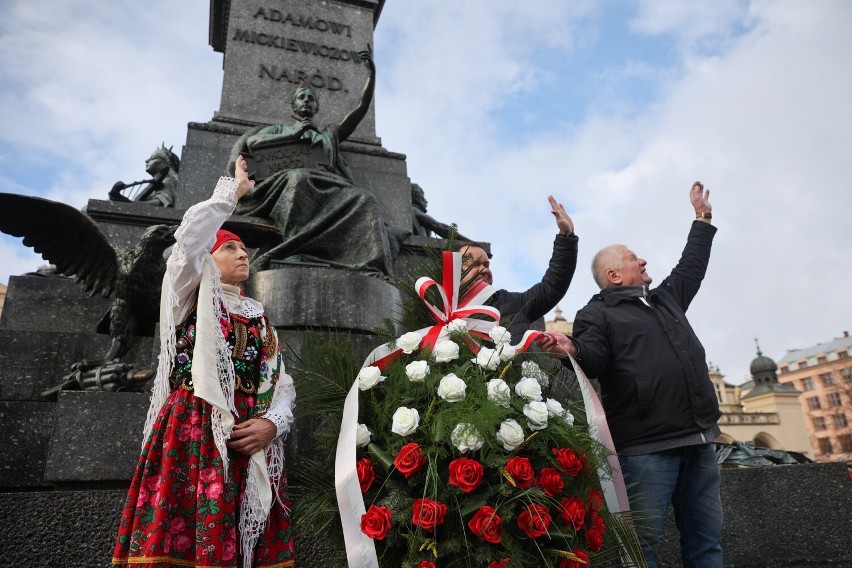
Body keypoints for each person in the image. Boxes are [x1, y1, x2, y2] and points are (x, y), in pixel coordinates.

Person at [112, 156, 296, 568]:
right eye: (229, 247)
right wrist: (231, 193)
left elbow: (282, 382)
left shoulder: (258, 315)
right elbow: (190, 238)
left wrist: (273, 424)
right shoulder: (187, 298)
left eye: (245, 249)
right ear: (207, 261)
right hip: (193, 434)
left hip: (249, 442)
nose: (242, 254)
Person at [537, 181, 722, 567]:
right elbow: (594, 356)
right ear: (614, 275)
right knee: (641, 550)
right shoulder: (596, 312)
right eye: (634, 258)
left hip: (699, 437)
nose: (643, 262)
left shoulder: (666, 298)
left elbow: (692, 265)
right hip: (647, 448)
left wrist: (701, 219)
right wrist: (572, 348)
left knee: (707, 543)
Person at [228, 47, 393, 278]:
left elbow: (359, 110)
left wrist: (371, 75)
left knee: (364, 199)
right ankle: (295, 249)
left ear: (316, 107)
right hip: (286, 183)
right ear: (293, 105)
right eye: (301, 98)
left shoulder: (328, 135)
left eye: (310, 99)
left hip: (330, 184)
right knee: (299, 178)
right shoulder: (279, 130)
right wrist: (293, 136)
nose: (306, 101)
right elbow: (255, 143)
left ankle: (368, 264)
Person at [459, 195, 577, 339]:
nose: (485, 270)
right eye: (475, 264)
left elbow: (552, 287)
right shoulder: (436, 309)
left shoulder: (512, 303)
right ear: (455, 270)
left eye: (486, 264)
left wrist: (566, 238)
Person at [109, 145, 179, 207]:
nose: (147, 161)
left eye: (152, 158)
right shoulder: (157, 184)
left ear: (163, 162)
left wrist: (130, 203)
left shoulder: (168, 181)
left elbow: (161, 203)